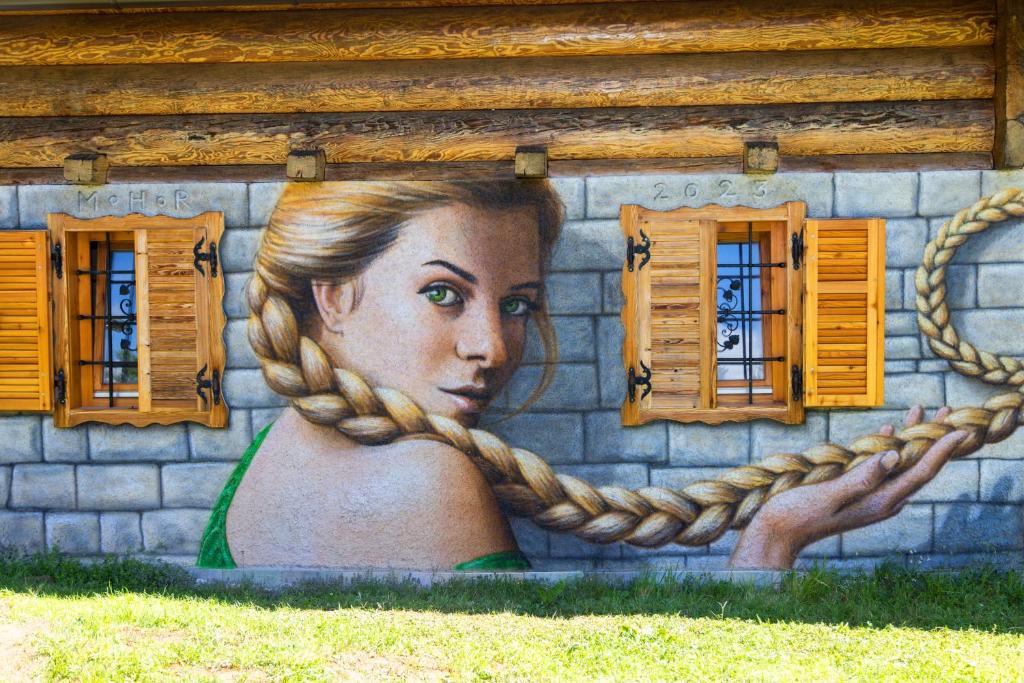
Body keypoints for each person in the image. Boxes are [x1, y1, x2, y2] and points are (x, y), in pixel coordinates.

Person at [197, 180, 966, 571]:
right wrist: (771, 540)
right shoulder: (430, 478)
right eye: (444, 294)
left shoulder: (272, 451)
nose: (493, 347)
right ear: (334, 295)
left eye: (518, 303)